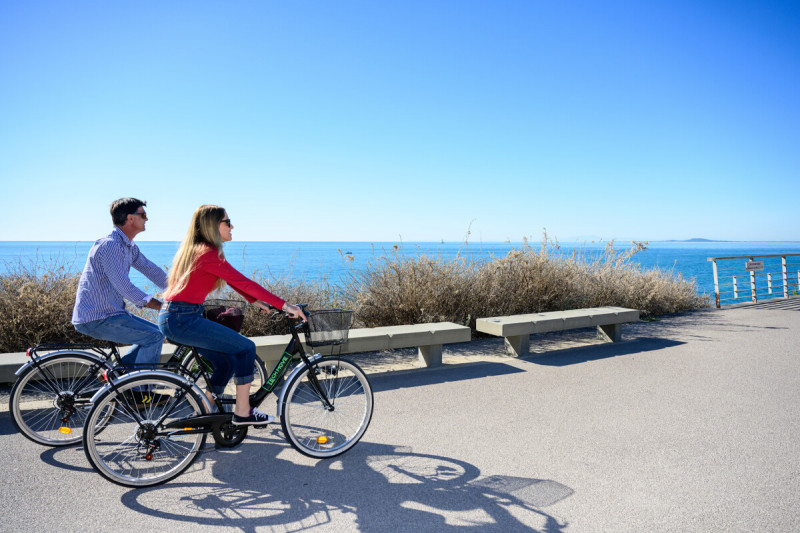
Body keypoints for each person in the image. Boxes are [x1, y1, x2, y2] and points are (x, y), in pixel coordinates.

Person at [158, 205, 305, 426]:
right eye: (227, 222)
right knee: (246, 348)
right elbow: (244, 281)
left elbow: (233, 281)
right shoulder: (207, 254)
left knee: (225, 363)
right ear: (212, 226)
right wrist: (286, 306)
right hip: (183, 318)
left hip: (175, 317)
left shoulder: (198, 250)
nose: (232, 226)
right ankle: (243, 412)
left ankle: (206, 412)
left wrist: (255, 301)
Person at [72, 198, 167, 369]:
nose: (147, 219)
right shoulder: (111, 246)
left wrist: (178, 290)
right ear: (130, 218)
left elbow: (150, 269)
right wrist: (159, 306)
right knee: (153, 337)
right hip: (96, 317)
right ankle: (140, 392)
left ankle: (118, 377)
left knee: (157, 333)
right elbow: (124, 286)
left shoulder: (128, 246)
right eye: (143, 215)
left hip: (111, 313)